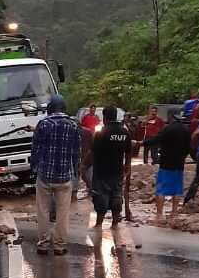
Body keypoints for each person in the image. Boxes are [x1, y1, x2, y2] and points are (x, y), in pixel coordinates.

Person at [30, 95, 81, 255]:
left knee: (43, 211)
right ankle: (59, 246)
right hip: (65, 177)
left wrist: (34, 168)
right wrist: (74, 172)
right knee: (63, 212)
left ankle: (43, 244)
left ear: (50, 108)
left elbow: (35, 150)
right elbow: (76, 152)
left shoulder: (43, 124)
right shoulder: (73, 125)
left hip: (45, 175)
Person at [86, 106, 132, 228]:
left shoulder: (101, 133)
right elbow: (128, 154)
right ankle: (115, 226)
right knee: (116, 197)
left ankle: (98, 226)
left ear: (105, 118)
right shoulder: (125, 132)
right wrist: (127, 168)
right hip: (117, 172)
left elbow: (92, 152)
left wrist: (84, 165)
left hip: (101, 172)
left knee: (101, 200)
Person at [143, 113, 189, 224]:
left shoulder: (168, 128)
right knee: (177, 190)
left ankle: (159, 215)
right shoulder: (186, 129)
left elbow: (157, 139)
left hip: (166, 163)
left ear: (171, 117)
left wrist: (142, 143)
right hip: (179, 164)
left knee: (161, 189)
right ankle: (174, 213)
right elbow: (189, 147)